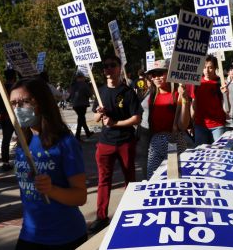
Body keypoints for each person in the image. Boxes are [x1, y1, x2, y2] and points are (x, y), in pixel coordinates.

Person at [10, 78, 87, 249]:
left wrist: (51, 189)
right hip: (30, 234)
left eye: (24, 102)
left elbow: (80, 196)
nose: (18, 108)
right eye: (13, 103)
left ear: (42, 102)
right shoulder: (23, 143)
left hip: (65, 237)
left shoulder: (66, 143)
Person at [89, 55, 141, 234]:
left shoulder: (128, 92)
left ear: (119, 68)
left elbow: (137, 118)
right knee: (103, 180)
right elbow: (95, 119)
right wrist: (98, 112)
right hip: (105, 143)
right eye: (106, 66)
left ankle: (130, 212)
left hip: (125, 141)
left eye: (112, 65)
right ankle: (101, 217)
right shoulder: (100, 92)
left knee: (129, 178)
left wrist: (115, 123)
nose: (109, 69)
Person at [145, 60, 191, 179]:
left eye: (160, 73)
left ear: (169, 74)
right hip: (155, 145)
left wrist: (185, 100)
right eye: (153, 75)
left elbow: (183, 125)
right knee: (153, 180)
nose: (157, 77)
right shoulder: (152, 97)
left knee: (175, 180)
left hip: (174, 142)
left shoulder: (177, 95)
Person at [191, 55, 228, 146]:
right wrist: (191, 123)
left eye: (210, 67)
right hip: (200, 126)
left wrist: (225, 94)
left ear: (215, 68)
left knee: (219, 155)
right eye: (204, 67)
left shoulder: (221, 83)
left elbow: (227, 109)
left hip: (218, 126)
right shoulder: (196, 83)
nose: (207, 70)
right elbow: (193, 105)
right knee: (200, 155)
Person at [0, 69, 16, 171]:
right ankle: (25, 159)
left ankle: (5, 162)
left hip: (3, 116)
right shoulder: (15, 87)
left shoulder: (1, 86)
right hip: (14, 116)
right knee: (24, 138)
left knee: (6, 139)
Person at [69, 72, 93, 141]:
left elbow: (70, 94)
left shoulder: (73, 85)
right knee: (81, 119)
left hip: (75, 104)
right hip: (82, 104)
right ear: (81, 77)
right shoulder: (84, 84)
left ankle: (87, 133)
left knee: (81, 118)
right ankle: (78, 136)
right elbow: (89, 94)